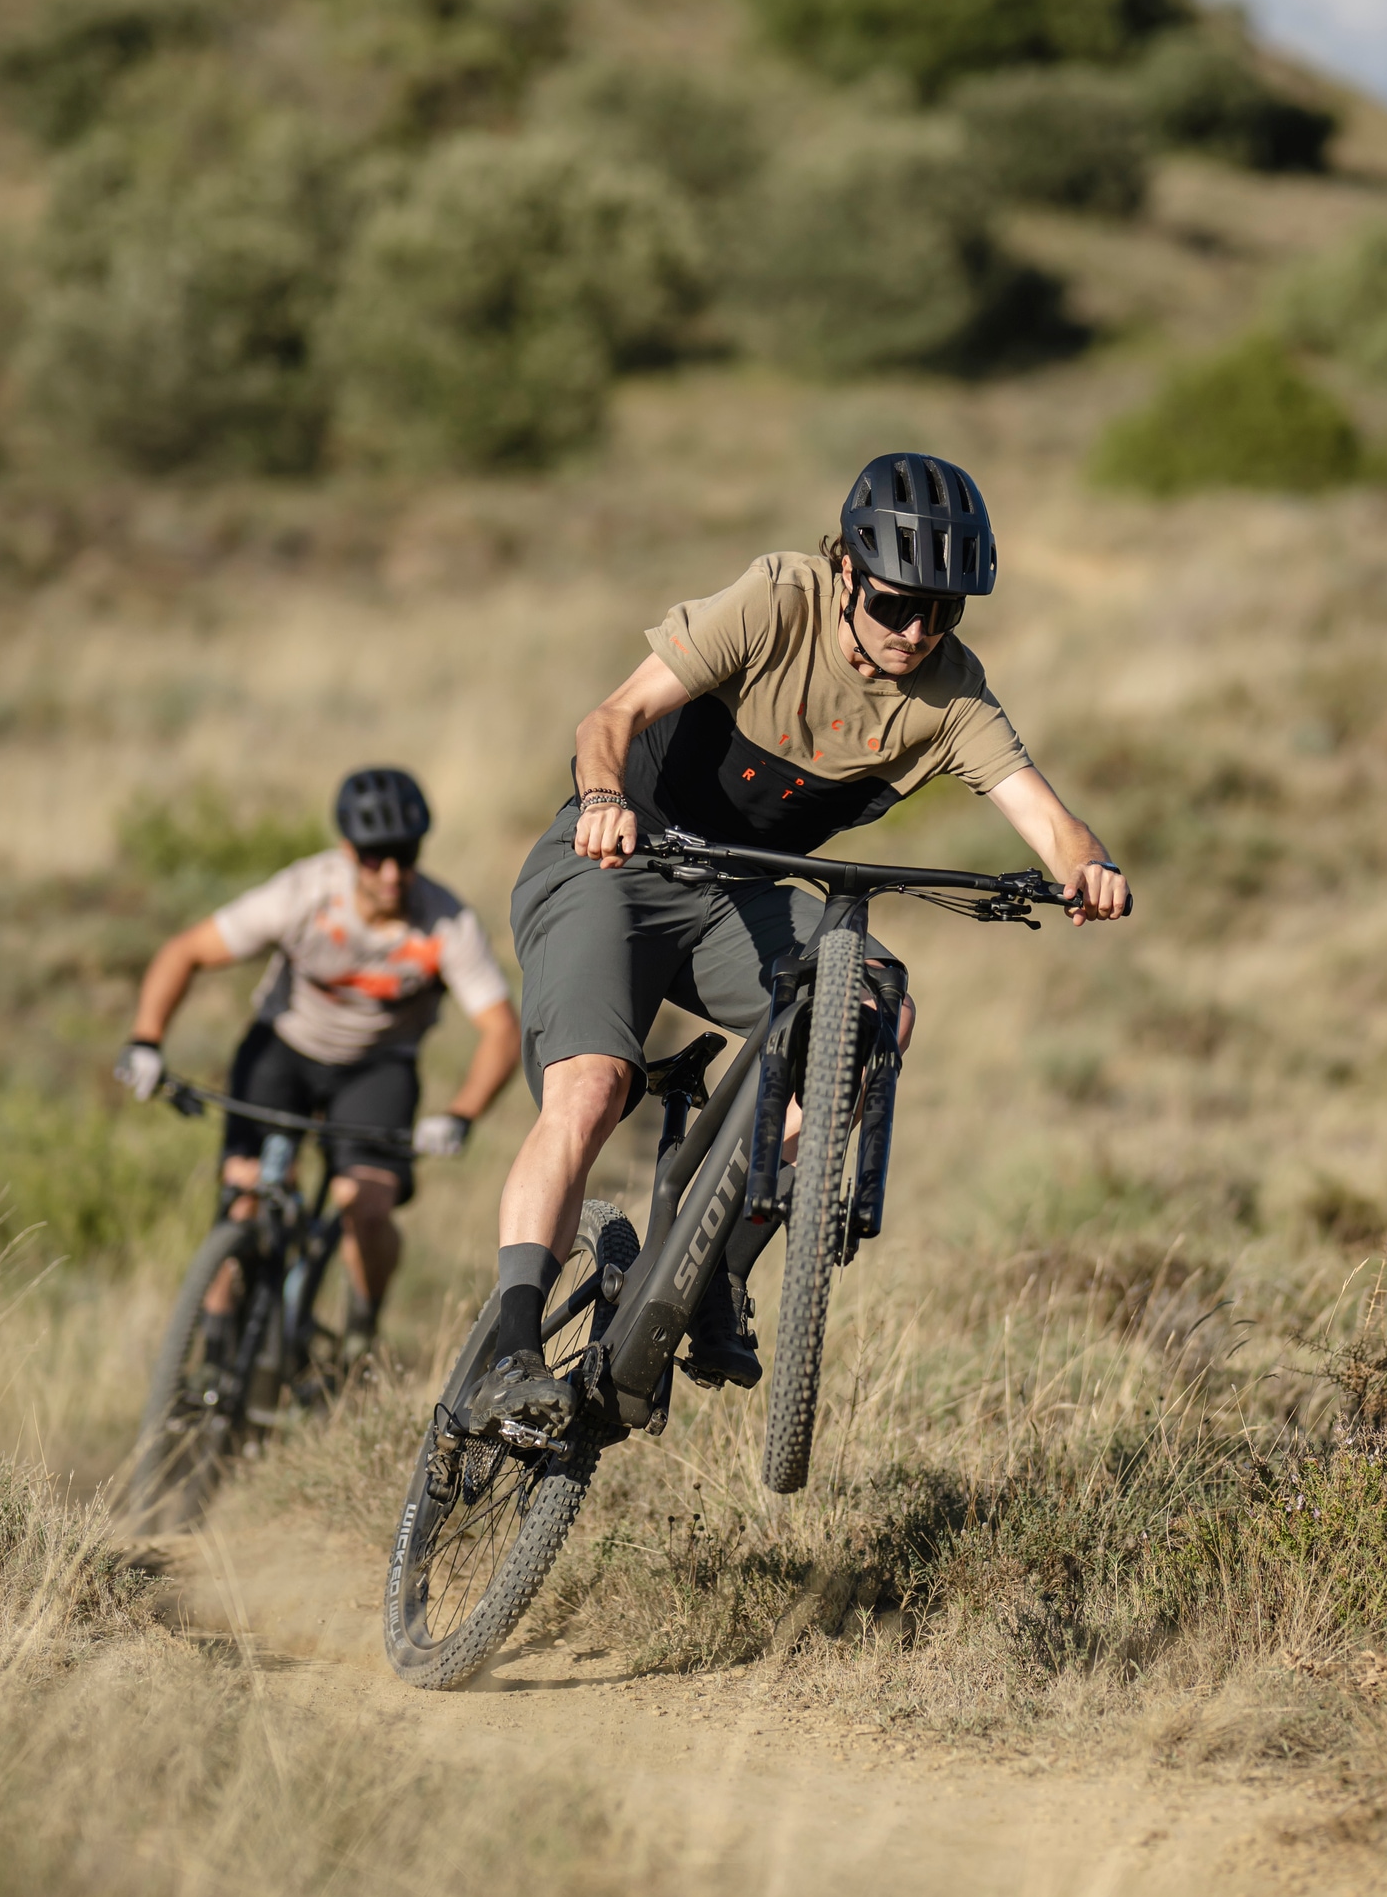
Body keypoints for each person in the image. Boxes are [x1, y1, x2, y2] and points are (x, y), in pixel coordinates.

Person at [475, 453, 1130, 1433]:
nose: (917, 631)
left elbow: (1045, 817)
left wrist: (1089, 864)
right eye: (899, 604)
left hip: (736, 897)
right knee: (593, 1088)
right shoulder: (776, 600)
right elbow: (608, 717)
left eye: (943, 612)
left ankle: (713, 1271)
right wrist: (605, 798)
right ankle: (509, 1349)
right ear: (849, 570)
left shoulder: (951, 692)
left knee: (873, 1007)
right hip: (611, 867)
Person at [118, 766, 520, 1376]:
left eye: (405, 855)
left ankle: (361, 1330)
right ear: (348, 851)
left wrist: (462, 1114)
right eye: (375, 857)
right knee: (243, 1195)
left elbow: (500, 1030)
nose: (391, 873)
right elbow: (186, 952)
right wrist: (145, 1041)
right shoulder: (304, 893)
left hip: (377, 1066)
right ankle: (215, 1358)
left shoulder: (445, 923)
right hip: (282, 1045)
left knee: (366, 1204)